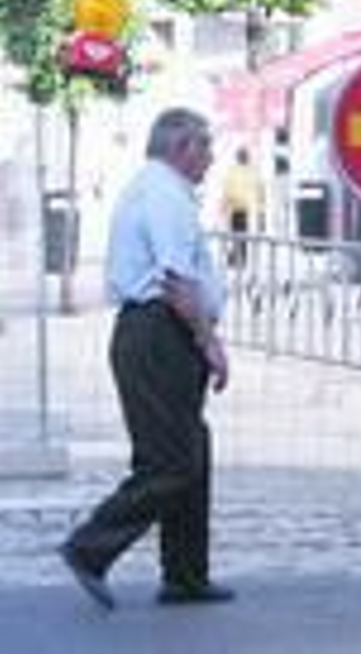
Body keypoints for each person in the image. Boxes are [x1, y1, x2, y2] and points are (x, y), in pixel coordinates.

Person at [58, 107, 234, 610]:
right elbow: (176, 280)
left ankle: (185, 574)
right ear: (181, 148)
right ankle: (90, 547)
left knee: (190, 449)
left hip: (161, 331)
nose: (211, 157)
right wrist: (209, 342)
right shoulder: (163, 195)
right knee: (171, 459)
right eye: (205, 146)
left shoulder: (164, 191)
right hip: (159, 331)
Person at [219, 146, 263, 267]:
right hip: (240, 207)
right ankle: (238, 257)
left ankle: (239, 258)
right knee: (238, 234)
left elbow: (228, 188)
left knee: (238, 233)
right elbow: (228, 188)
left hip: (240, 207)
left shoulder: (238, 171)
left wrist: (224, 204)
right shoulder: (251, 171)